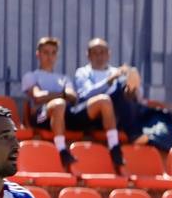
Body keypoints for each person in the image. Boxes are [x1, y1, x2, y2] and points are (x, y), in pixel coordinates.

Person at [24, 36, 118, 170]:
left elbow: (73, 97)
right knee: (59, 103)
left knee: (101, 100)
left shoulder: (64, 78)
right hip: (41, 116)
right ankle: (62, 150)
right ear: (38, 54)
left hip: (64, 114)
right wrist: (62, 95)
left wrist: (54, 95)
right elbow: (38, 96)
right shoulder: (31, 76)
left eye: (53, 53)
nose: (49, 56)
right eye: (45, 52)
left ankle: (115, 147)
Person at [70, 37, 136, 170]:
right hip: (90, 115)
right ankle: (115, 147)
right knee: (105, 100)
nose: (99, 56)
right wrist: (109, 80)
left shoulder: (116, 72)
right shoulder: (82, 72)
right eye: (95, 52)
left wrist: (132, 83)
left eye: (103, 52)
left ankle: (134, 133)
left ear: (108, 54)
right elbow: (85, 94)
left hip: (114, 116)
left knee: (125, 87)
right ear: (88, 55)